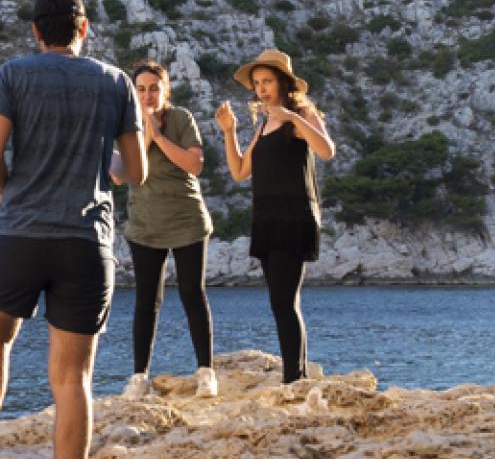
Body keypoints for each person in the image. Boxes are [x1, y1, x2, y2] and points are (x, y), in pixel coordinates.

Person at [0, 0, 148, 459]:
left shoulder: (13, 74)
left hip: (21, 233)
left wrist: (8, 190)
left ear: (36, 32)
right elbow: (136, 173)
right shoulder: (115, 82)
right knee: (72, 379)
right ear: (83, 30)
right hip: (86, 242)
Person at [213, 49, 335, 385]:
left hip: (294, 215)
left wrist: (293, 118)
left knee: (284, 300)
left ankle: (293, 379)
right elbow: (239, 171)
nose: (262, 88)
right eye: (257, 83)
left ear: (283, 82)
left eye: (267, 81)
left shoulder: (302, 114)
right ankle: (296, 374)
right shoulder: (263, 123)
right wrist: (228, 131)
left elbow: (327, 150)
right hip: (266, 217)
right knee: (280, 301)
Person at [111, 60, 218, 399]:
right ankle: (139, 376)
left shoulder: (182, 119)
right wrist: (143, 134)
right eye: (141, 88)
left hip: (187, 219)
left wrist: (158, 135)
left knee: (192, 293)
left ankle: (206, 373)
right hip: (144, 224)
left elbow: (194, 164)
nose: (147, 94)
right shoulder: (124, 124)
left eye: (154, 88)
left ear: (165, 90)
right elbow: (122, 174)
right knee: (146, 301)